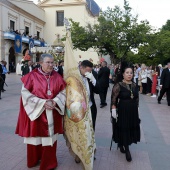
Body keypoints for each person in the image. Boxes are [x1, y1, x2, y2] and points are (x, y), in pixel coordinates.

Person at [15, 54, 66, 170]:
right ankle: (34, 160)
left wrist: (55, 101)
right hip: (37, 113)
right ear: (41, 63)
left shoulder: (57, 76)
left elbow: (63, 92)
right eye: (48, 62)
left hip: (52, 113)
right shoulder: (31, 76)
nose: (51, 65)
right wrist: (42, 103)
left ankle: (49, 163)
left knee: (50, 140)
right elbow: (25, 94)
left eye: (52, 62)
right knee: (35, 138)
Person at [110, 65, 140, 162]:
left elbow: (136, 98)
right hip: (123, 109)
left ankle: (122, 143)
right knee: (124, 127)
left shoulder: (135, 85)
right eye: (127, 73)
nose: (129, 74)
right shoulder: (119, 85)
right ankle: (127, 150)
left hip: (133, 111)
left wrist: (137, 108)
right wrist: (113, 109)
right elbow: (113, 99)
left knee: (130, 128)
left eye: (131, 73)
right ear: (123, 74)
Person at [79, 60, 100, 130]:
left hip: (91, 106)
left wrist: (93, 80)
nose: (88, 73)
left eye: (90, 71)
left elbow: (98, 91)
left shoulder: (91, 76)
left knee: (91, 129)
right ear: (81, 67)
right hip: (79, 109)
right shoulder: (75, 78)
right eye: (87, 71)